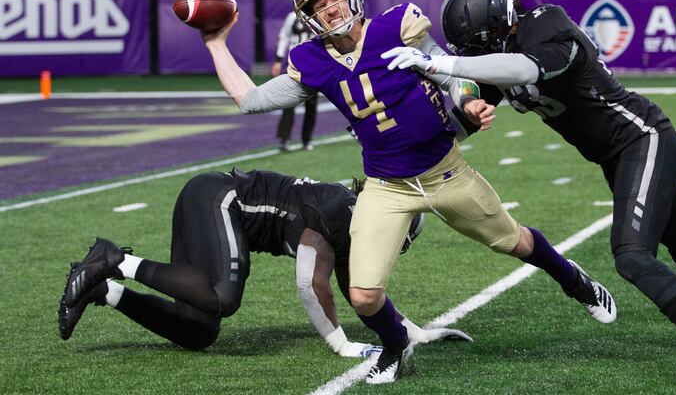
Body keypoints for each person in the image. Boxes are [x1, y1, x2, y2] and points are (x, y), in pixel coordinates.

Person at [200, 0, 617, 385]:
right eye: (318, 4)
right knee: (363, 296)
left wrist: (470, 101)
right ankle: (397, 347)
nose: (331, 8)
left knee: (516, 241)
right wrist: (216, 44)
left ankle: (574, 281)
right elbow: (251, 99)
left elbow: (449, 70)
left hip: (446, 172)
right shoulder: (311, 60)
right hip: (386, 187)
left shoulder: (397, 24)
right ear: (307, 15)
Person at [382, 0, 676, 394]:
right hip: (616, 157)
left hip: (642, 137)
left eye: (476, 47)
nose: (471, 56)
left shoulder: (547, 23)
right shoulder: (495, 57)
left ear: (499, 27)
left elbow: (525, 68)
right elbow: (467, 111)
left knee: (631, 256)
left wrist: (442, 64)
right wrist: (404, 138)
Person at [58, 169, 470, 355]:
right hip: (219, 198)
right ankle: (113, 260)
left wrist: (414, 333)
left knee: (197, 330)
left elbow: (362, 293)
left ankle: (105, 289)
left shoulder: (356, 222)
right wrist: (340, 345)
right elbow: (310, 282)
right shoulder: (340, 212)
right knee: (223, 296)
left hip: (213, 204)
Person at [272, 12, 318, 151]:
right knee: (288, 101)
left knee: (311, 104)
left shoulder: (318, 14)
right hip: (294, 64)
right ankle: (284, 139)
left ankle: (307, 139)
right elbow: (284, 37)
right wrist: (278, 60)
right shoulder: (292, 17)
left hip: (313, 65)